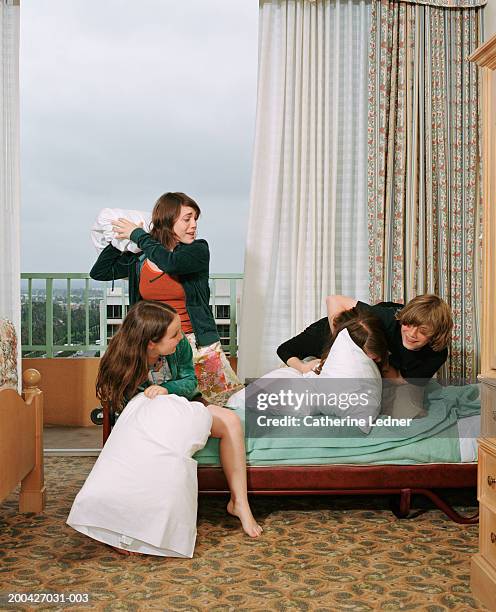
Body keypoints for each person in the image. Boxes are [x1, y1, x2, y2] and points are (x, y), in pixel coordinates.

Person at [67, 301, 262, 558]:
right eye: (174, 334)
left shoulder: (178, 346)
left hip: (181, 404)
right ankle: (124, 525)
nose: (181, 338)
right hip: (145, 417)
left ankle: (240, 504)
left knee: (231, 421)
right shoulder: (120, 361)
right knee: (154, 453)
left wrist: (166, 390)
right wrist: (152, 398)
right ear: (151, 342)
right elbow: (126, 405)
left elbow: (190, 382)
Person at [90, 192, 242, 405]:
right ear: (167, 221)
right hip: (159, 346)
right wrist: (118, 241)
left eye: (196, 219)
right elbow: (100, 272)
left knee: (222, 402)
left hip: (198, 343)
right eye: (187, 219)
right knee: (162, 402)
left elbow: (172, 263)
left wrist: (139, 235)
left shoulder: (197, 250)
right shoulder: (140, 258)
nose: (194, 225)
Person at [277, 294, 453, 384]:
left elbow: (402, 381)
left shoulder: (436, 355)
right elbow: (333, 299)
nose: (412, 334)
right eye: (408, 325)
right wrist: (303, 366)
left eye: (422, 331)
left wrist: (384, 366)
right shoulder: (386, 318)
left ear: (436, 334)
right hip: (331, 333)